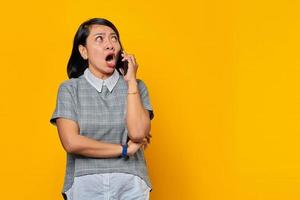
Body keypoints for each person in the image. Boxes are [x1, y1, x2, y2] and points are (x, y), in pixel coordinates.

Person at [49, 18, 154, 200]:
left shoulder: (137, 87)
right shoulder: (70, 89)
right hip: (85, 183)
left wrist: (131, 83)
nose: (109, 45)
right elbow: (72, 142)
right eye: (100, 39)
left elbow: (137, 133)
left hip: (130, 183)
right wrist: (123, 150)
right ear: (83, 51)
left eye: (114, 38)